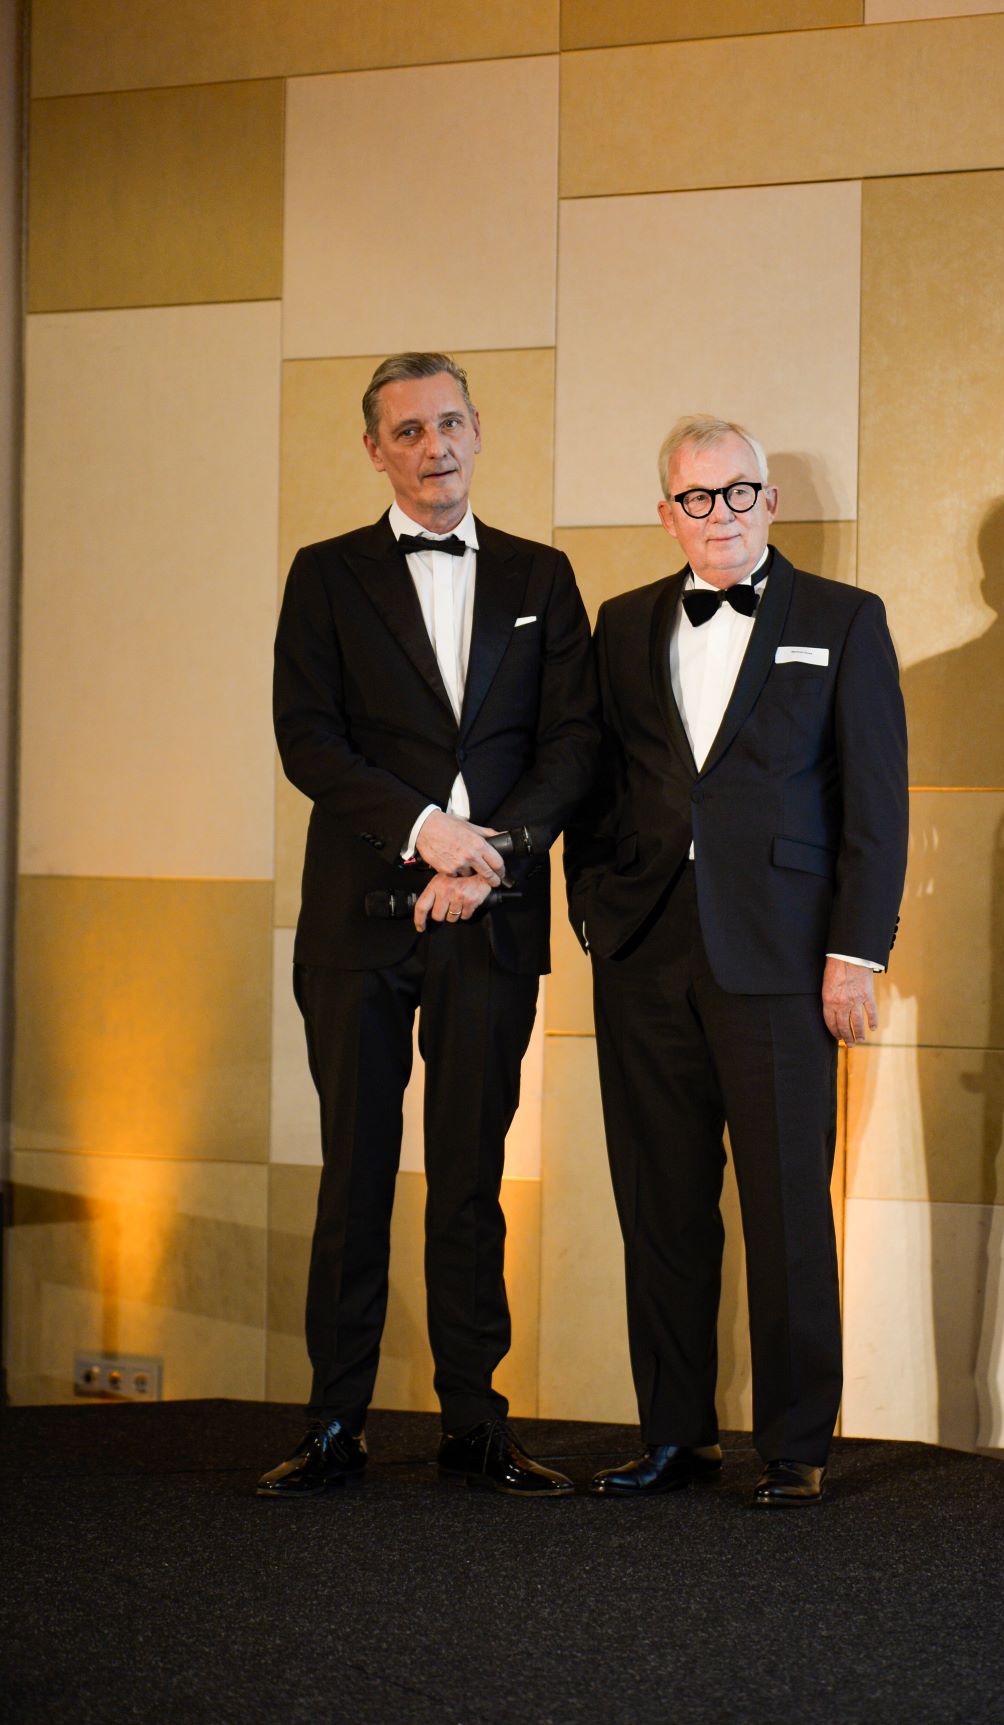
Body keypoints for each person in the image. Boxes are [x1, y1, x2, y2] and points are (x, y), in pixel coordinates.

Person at [261, 353, 598, 1498]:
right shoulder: (325, 574)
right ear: (374, 451)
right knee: (354, 1172)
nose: (433, 445)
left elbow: (573, 744)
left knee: (468, 1174)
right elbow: (306, 739)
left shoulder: (542, 575)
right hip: (357, 922)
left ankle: (472, 1422)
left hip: (489, 919)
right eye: (407, 430)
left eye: (448, 422)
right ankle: (334, 1424)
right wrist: (425, 831)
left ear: (476, 430)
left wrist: (485, 852)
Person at [565, 414, 908, 1506]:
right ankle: (676, 1436)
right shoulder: (621, 623)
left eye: (739, 491)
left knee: (787, 1211)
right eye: (697, 497)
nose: (720, 513)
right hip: (643, 953)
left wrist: (853, 952)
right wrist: (592, 909)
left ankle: (796, 1445)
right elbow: (593, 779)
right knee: (659, 1205)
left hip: (784, 958)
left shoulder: (844, 618)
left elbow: (877, 803)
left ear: (770, 501)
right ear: (666, 514)